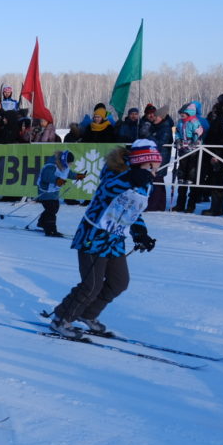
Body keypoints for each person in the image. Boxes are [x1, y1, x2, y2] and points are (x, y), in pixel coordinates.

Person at [49, 141, 159, 338]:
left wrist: (141, 234)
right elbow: (107, 190)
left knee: (119, 282)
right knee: (91, 285)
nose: (156, 169)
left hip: (115, 240)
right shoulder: (116, 174)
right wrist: (130, 177)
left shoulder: (142, 180)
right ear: (142, 162)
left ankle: (87, 314)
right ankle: (61, 319)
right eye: (152, 165)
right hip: (94, 236)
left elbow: (133, 210)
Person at [36, 150, 86, 237]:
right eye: (69, 163)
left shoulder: (63, 166)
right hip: (45, 191)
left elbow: (69, 173)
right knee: (51, 209)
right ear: (64, 160)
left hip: (54, 191)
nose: (70, 165)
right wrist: (57, 180)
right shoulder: (51, 166)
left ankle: (42, 222)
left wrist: (77, 176)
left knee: (54, 207)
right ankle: (50, 230)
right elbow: (47, 176)